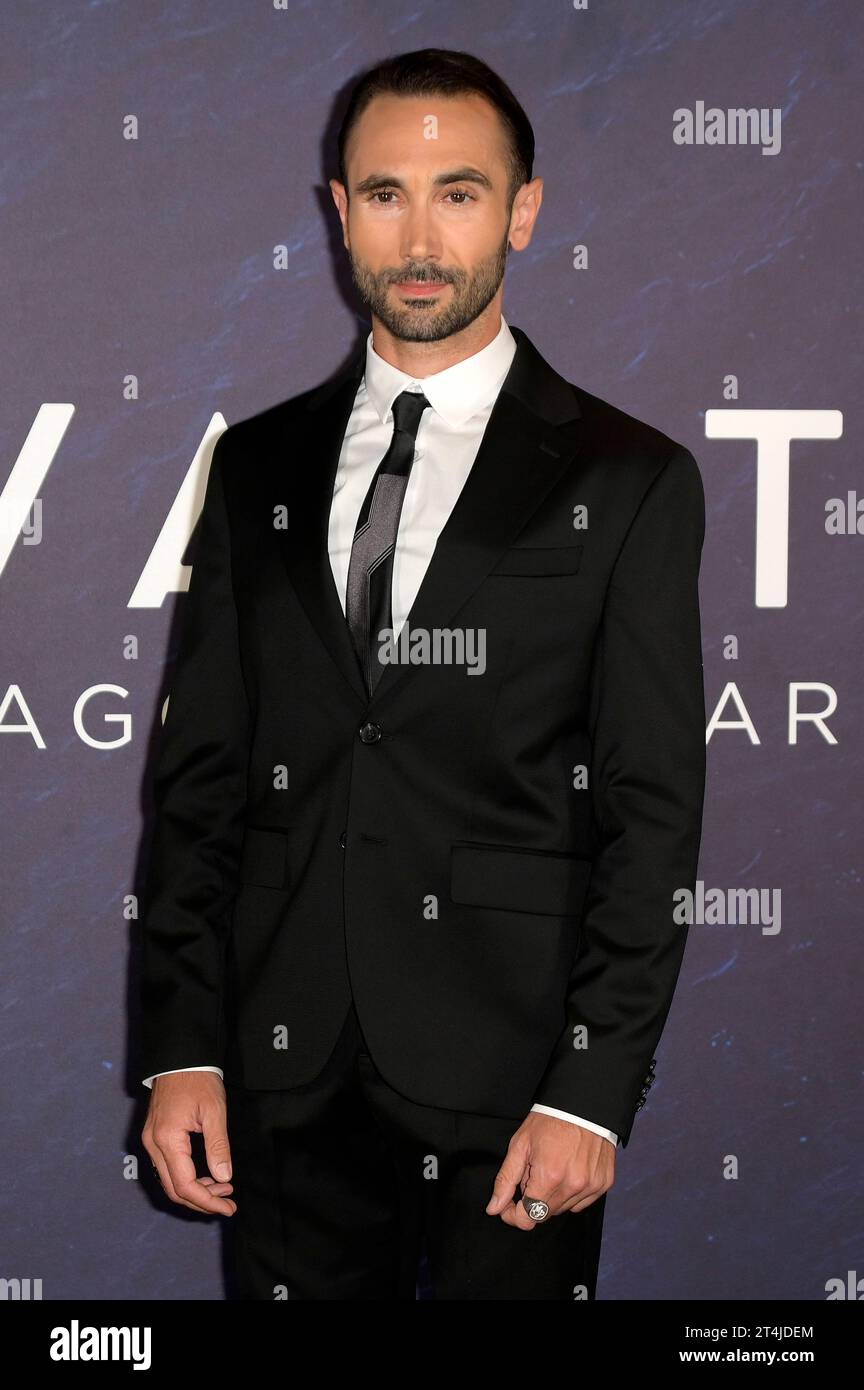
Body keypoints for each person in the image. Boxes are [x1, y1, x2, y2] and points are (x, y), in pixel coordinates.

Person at [140, 47, 706, 1300]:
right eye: (384, 193)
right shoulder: (256, 469)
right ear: (339, 215)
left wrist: (592, 1093)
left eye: (459, 191)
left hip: (514, 1097)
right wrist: (184, 1050)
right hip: (286, 1089)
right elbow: (200, 787)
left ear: (524, 210)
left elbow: (651, 813)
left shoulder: (626, 479)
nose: (420, 234)